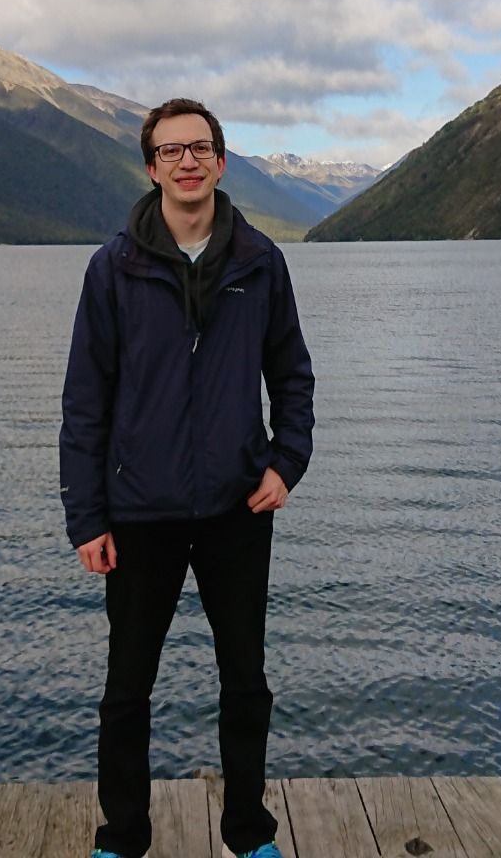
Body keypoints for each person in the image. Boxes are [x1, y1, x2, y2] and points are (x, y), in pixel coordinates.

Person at [59, 98, 315, 858]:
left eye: (200, 148)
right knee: (126, 689)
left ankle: (248, 834)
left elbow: (293, 377)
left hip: (238, 504)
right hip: (140, 511)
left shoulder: (260, 261)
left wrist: (285, 462)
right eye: (171, 152)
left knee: (245, 683)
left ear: (222, 161)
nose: (187, 162)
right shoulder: (113, 269)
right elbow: (84, 402)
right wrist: (87, 518)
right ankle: (122, 837)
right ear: (150, 168)